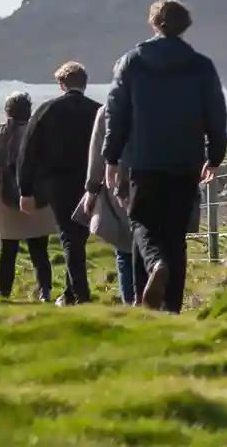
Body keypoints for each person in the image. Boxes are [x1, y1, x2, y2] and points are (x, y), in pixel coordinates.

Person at [104, 0, 227, 313]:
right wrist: (214, 156)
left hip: (142, 160)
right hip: (186, 161)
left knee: (141, 222)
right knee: (175, 233)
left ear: (153, 23)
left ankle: (150, 277)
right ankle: (171, 308)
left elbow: (116, 113)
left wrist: (111, 156)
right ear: (185, 26)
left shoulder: (132, 62)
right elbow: (216, 113)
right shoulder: (201, 65)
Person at [16, 62, 101, 304]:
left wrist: (25, 190)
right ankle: (72, 293)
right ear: (84, 84)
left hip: (57, 183)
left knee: (69, 237)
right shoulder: (98, 110)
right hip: (89, 182)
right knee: (79, 237)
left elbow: (28, 151)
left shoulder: (47, 110)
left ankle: (79, 295)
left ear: (61, 84)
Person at [0, 92, 59, 300]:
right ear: (29, 113)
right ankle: (45, 292)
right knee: (40, 253)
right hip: (37, 203)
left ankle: (4, 294)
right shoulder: (40, 134)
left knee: (7, 252)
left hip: (7, 205)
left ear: (7, 112)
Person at [82, 101, 144, 303]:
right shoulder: (160, 100)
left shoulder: (108, 111)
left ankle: (130, 302)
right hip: (154, 180)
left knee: (125, 249)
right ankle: (152, 301)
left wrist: (91, 190)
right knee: (151, 245)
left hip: (119, 184)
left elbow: (97, 153)